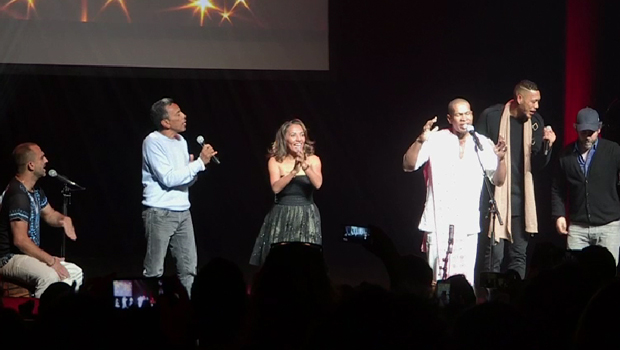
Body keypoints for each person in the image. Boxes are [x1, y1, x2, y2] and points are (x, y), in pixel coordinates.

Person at [403, 98, 507, 286]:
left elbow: (499, 180)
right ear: (449, 118)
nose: (464, 118)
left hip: (467, 225)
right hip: (438, 222)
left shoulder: (481, 144)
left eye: (468, 113)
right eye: (459, 115)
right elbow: (408, 165)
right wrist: (420, 140)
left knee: (465, 280)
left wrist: (501, 160)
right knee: (437, 279)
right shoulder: (436, 139)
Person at [475, 80, 557, 280]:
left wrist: (547, 146)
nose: (536, 106)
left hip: (521, 203)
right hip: (495, 201)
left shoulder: (536, 121)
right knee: (494, 256)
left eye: (538, 102)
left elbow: (537, 165)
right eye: (533, 101)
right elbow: (476, 153)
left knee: (518, 257)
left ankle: (515, 299)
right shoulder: (491, 117)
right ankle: (489, 301)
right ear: (519, 98)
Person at [142, 97, 218, 296]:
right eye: (178, 114)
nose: (184, 116)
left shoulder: (181, 141)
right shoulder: (152, 142)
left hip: (183, 211)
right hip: (160, 213)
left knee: (188, 268)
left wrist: (194, 170)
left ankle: (188, 311)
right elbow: (167, 179)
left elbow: (184, 181)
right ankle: (152, 311)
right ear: (165, 122)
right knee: (154, 270)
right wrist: (198, 164)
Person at [0, 143, 83, 298]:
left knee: (75, 273)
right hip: (8, 258)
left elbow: (49, 214)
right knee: (49, 277)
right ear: (31, 165)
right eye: (42, 157)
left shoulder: (36, 190)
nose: (46, 161)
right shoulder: (18, 195)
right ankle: (41, 316)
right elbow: (20, 241)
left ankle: (64, 312)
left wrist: (64, 219)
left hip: (27, 256)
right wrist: (50, 260)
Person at [551, 107, 620, 265]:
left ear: (599, 128)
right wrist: (559, 215)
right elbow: (557, 188)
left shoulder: (613, 151)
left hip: (608, 226)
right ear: (575, 128)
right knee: (574, 276)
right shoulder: (566, 155)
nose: (588, 136)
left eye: (592, 132)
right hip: (578, 227)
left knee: (606, 278)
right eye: (584, 132)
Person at [250, 119, 323, 266]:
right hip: (282, 214)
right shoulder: (275, 161)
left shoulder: (313, 160)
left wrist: (304, 166)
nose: (299, 139)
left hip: (306, 214)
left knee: (306, 261)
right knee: (279, 261)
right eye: (294, 135)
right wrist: (294, 172)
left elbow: (318, 184)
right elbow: (276, 188)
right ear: (285, 138)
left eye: (301, 135)